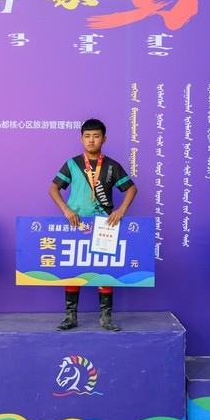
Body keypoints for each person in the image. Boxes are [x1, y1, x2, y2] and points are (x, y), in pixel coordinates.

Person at [49, 118, 138, 331]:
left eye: (96, 136)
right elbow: (53, 188)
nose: (91, 140)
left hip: (104, 224)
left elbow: (131, 188)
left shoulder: (112, 166)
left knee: (104, 270)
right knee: (73, 269)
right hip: (76, 224)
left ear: (104, 139)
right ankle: (70, 317)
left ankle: (106, 317)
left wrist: (121, 211)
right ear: (81, 139)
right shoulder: (72, 164)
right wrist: (66, 210)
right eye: (87, 136)